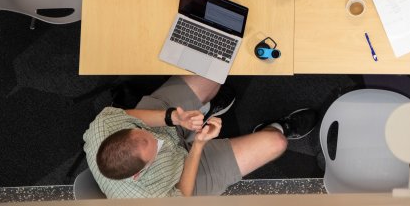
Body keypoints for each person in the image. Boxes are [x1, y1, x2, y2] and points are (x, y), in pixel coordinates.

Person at [83, 76, 317, 198]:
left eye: (141, 131)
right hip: (184, 176)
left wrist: (173, 118)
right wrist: (198, 145)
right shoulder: (150, 197)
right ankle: (275, 127)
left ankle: (206, 108)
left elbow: (131, 115)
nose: (158, 138)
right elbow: (183, 194)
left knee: (213, 72)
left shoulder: (103, 125)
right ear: (138, 174)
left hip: (169, 122)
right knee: (277, 144)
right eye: (155, 146)